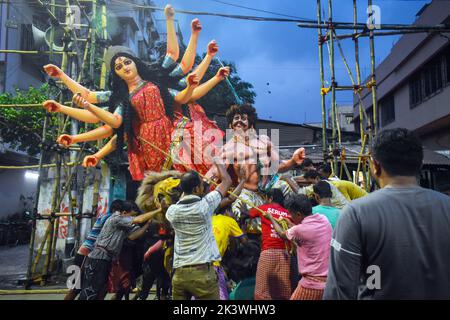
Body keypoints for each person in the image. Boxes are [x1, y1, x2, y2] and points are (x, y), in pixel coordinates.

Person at [324, 128, 450, 299]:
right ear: (419, 164)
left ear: (375, 166)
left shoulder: (356, 213)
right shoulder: (446, 206)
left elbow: (339, 291)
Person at [206, 104, 305, 234]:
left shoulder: (265, 141)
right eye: (236, 118)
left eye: (243, 118)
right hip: (245, 193)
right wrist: (198, 185)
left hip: (268, 191)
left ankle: (302, 227)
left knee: (288, 185)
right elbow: (214, 173)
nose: (239, 121)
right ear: (231, 125)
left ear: (251, 123)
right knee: (241, 215)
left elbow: (277, 167)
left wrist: (293, 161)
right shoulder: (228, 149)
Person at [166, 158, 232, 300]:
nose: (203, 188)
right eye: (201, 186)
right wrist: (218, 162)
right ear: (196, 189)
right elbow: (227, 181)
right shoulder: (206, 205)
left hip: (179, 274)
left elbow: (185, 196)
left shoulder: (171, 211)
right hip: (202, 273)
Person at [78, 201, 161, 300]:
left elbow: (132, 236)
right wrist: (159, 210)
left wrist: (147, 225)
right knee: (90, 291)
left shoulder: (123, 224)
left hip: (106, 259)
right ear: (124, 213)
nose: (131, 219)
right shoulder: (116, 218)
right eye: (131, 216)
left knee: (100, 290)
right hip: (98, 259)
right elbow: (139, 220)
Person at [267, 194, 332, 300]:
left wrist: (271, 218)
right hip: (329, 282)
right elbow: (306, 232)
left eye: (291, 214)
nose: (290, 217)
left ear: (298, 214)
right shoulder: (323, 220)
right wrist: (291, 224)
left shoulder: (298, 230)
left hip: (311, 284)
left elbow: (283, 234)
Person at [64, 199, 122, 300]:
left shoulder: (105, 216)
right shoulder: (109, 218)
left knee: (97, 288)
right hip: (86, 254)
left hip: (87, 254)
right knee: (76, 289)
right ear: (115, 210)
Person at [245, 188, 293, 300]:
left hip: (268, 252)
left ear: (270, 198)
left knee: (261, 293)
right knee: (283, 293)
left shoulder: (264, 208)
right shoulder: (287, 213)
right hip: (285, 254)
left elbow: (247, 214)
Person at [212, 204, 247, 300]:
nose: (233, 214)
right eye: (232, 211)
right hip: (213, 266)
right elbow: (245, 242)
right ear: (227, 211)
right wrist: (242, 222)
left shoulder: (210, 218)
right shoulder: (229, 221)